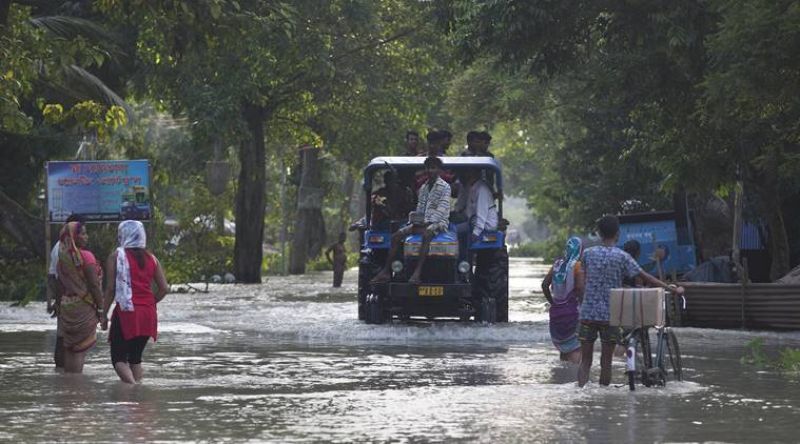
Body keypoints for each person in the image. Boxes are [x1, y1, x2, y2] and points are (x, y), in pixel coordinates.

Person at [577, 215, 684, 387]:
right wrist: (672, 288)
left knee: (585, 361)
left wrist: (584, 303)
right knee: (606, 362)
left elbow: (581, 285)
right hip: (610, 316)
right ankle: (603, 398)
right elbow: (645, 276)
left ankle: (581, 394)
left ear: (598, 233)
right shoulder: (622, 257)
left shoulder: (588, 255)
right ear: (617, 234)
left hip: (587, 314)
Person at [101, 220, 169, 384]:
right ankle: (138, 396)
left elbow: (110, 289)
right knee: (135, 358)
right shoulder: (152, 259)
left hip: (127, 313)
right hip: (148, 313)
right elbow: (164, 288)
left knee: (118, 358)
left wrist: (103, 314)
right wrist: (149, 303)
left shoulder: (116, 257)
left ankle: (131, 389)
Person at [371, 156, 451, 284]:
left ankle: (417, 273)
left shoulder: (445, 187)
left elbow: (443, 208)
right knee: (396, 236)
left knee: (427, 235)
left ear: (439, 170)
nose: (431, 170)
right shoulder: (424, 188)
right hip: (421, 222)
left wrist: (427, 222)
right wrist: (415, 219)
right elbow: (420, 206)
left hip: (437, 223)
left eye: (433, 168)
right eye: (428, 168)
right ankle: (386, 271)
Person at [55, 221, 105, 373]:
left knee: (70, 348)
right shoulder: (87, 257)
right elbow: (94, 285)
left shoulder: (62, 260)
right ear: (73, 237)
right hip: (84, 308)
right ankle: (77, 391)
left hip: (67, 308)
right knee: (79, 350)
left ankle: (68, 390)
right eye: (82, 233)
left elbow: (59, 285)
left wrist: (58, 306)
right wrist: (102, 310)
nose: (86, 236)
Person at [47, 214, 86, 369]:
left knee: (64, 337)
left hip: (67, 299)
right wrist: (56, 301)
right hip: (68, 299)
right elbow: (55, 277)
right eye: (80, 231)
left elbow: (52, 275)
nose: (83, 235)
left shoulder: (65, 248)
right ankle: (66, 373)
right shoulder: (62, 249)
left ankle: (63, 375)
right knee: (66, 338)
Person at [541, 237, 584, 364]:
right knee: (576, 347)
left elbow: (544, 285)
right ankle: (573, 377)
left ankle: (562, 376)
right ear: (579, 250)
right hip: (573, 312)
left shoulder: (556, 265)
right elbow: (581, 289)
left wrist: (553, 302)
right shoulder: (577, 266)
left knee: (564, 350)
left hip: (556, 313)